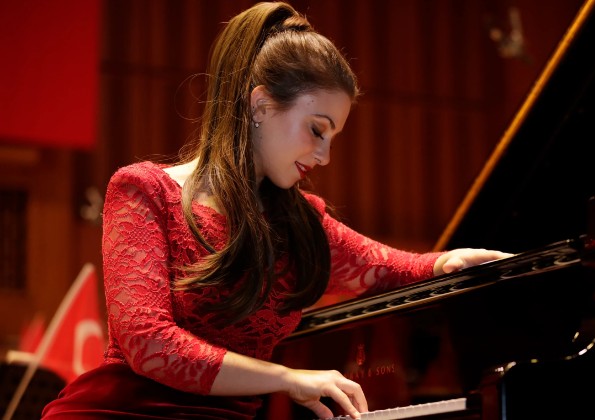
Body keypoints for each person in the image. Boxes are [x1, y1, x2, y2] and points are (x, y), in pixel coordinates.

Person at [41, 2, 513, 419]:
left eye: (333, 137)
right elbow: (149, 344)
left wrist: (448, 261)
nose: (324, 155)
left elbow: (393, 268)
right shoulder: (143, 189)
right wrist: (286, 378)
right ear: (262, 105)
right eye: (317, 129)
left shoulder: (300, 222)